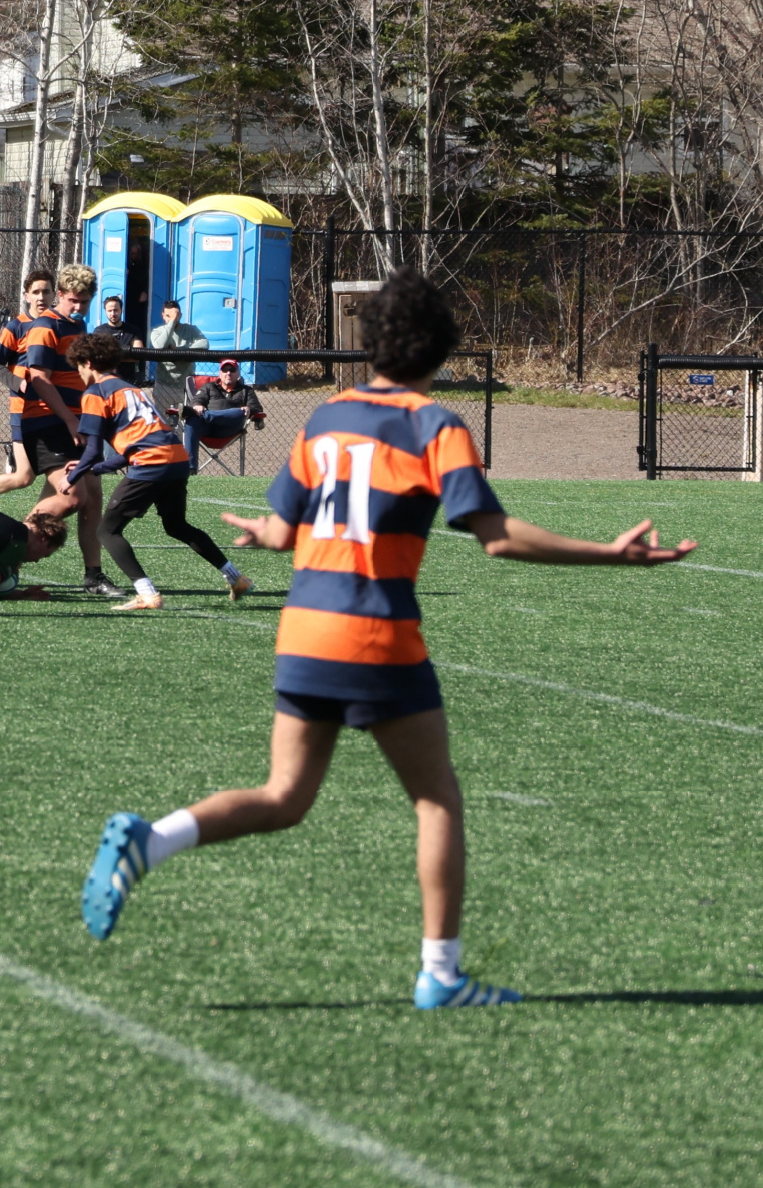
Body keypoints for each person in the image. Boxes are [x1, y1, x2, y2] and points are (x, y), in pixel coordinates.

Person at [80, 267, 698, 1010]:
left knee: (284, 796)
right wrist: (609, 553)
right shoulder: (435, 425)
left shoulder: (328, 417)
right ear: (441, 349)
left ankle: (153, 841)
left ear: (367, 345)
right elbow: (496, 538)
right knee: (436, 800)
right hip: (376, 632)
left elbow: (282, 528)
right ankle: (441, 974)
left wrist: (263, 533)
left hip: (304, 628)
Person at [59, 332, 253, 610]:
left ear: (88, 363)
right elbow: (126, 453)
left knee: (107, 532)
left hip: (152, 463)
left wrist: (73, 477)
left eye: (77, 365)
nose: (78, 372)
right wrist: (94, 468)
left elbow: (91, 450)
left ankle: (147, 593)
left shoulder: (96, 392)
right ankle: (236, 578)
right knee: (176, 526)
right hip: (176, 459)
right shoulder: (132, 389)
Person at [0, 263, 122, 598]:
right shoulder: (44, 327)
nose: (78, 306)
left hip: (75, 423)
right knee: (73, 495)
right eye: (73, 300)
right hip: (46, 421)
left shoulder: (77, 328)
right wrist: (68, 418)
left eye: (85, 301)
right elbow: (37, 378)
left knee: (92, 497)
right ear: (61, 296)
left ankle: (93, 576)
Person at [0, 267, 55, 478]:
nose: (41, 297)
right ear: (26, 296)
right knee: (24, 477)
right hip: (23, 407)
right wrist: (19, 383)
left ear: (55, 294)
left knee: (59, 471)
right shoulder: (15, 327)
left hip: (54, 406)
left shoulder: (59, 325)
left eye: (46, 291)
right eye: (35, 292)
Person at [178, 358, 266, 473]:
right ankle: (190, 469)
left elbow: (257, 408)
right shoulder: (208, 387)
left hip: (229, 429)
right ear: (220, 373)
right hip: (207, 428)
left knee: (240, 412)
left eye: (232, 370)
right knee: (191, 421)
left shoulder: (246, 390)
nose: (228, 373)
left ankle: (206, 415)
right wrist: (197, 405)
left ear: (238, 373)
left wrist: (249, 409)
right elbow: (196, 400)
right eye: (225, 370)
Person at [148, 299, 208, 415]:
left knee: (184, 422)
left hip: (185, 385)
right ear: (162, 315)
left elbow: (204, 344)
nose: (172, 318)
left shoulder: (191, 329)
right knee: (162, 420)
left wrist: (180, 350)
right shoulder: (157, 331)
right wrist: (171, 322)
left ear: (180, 315)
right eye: (167, 316)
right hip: (163, 385)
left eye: (175, 315)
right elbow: (159, 346)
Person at [92, 295, 145, 384]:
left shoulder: (133, 330)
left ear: (121, 310)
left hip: (128, 380)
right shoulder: (99, 331)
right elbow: (96, 356)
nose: (113, 314)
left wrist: (110, 356)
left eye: (116, 310)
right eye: (109, 311)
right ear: (105, 311)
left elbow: (138, 354)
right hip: (105, 379)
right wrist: (125, 355)